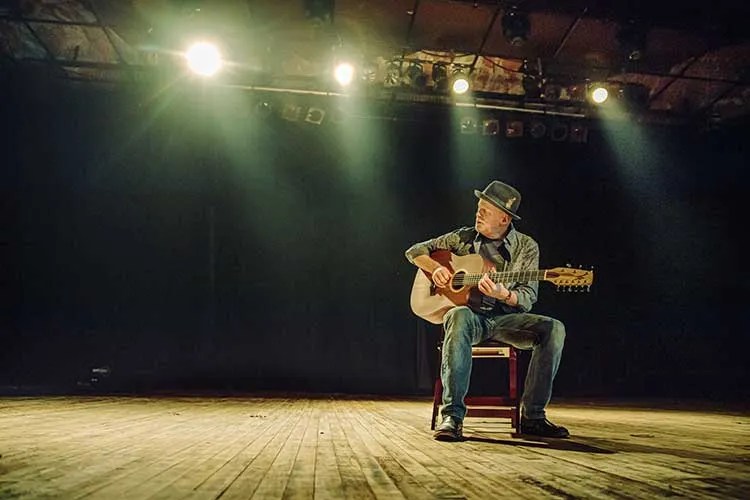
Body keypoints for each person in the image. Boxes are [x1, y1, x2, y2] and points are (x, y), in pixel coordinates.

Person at [405, 180, 569, 441]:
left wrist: (502, 293)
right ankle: (452, 417)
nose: (478, 213)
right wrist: (436, 269)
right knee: (457, 314)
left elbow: (528, 297)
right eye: (478, 207)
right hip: (471, 318)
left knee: (554, 328)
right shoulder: (463, 238)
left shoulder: (527, 247)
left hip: (505, 318)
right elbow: (415, 251)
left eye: (486, 210)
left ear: (504, 218)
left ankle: (533, 417)